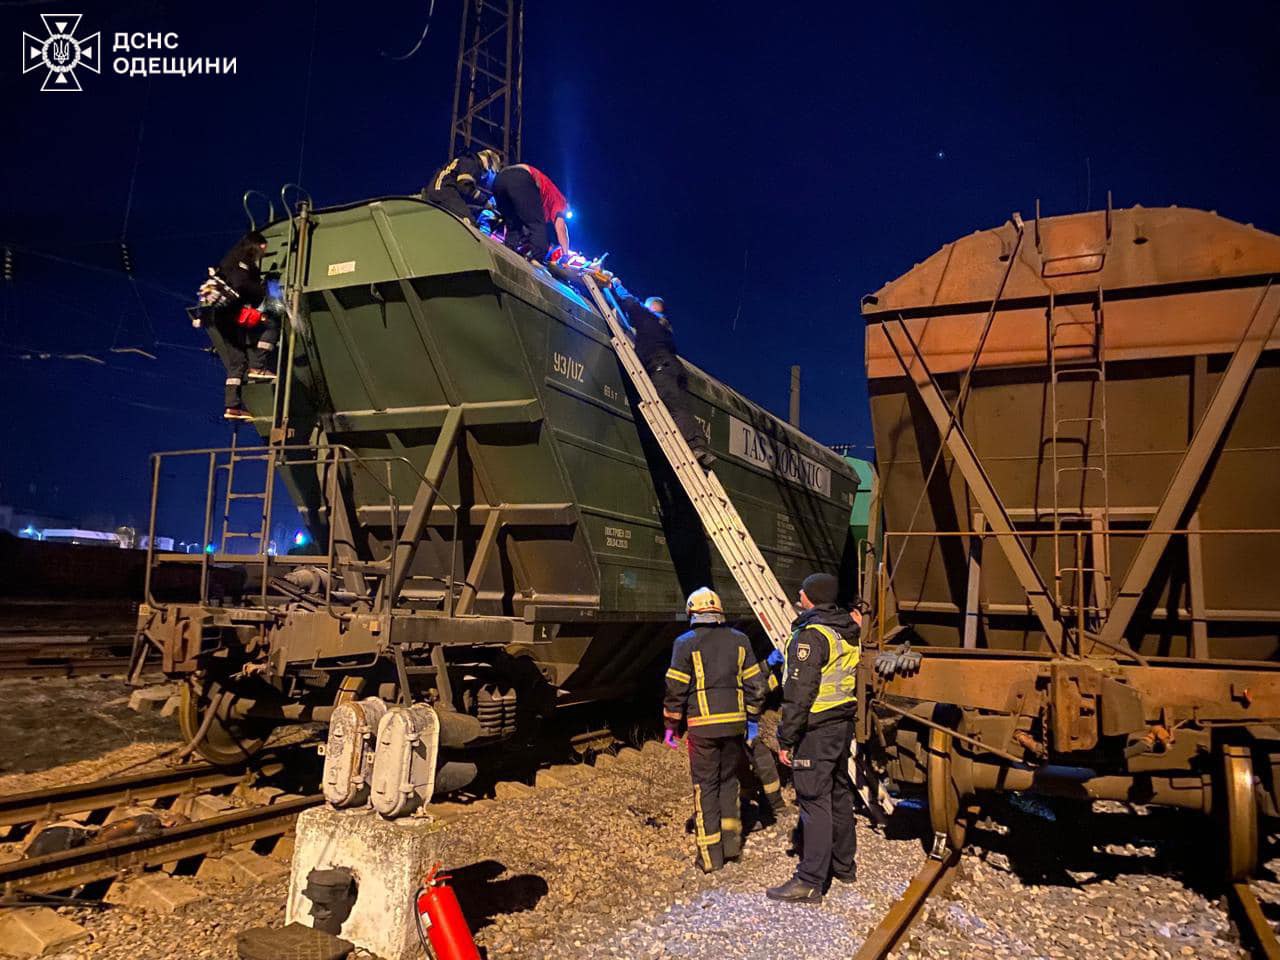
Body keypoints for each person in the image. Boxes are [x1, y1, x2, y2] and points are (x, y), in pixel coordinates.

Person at [766, 572, 861, 903]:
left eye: (802, 592)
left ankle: (809, 881)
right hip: (841, 723)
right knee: (838, 793)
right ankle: (844, 866)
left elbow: (799, 694)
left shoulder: (812, 636)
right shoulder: (845, 630)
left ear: (811, 597)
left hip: (816, 729)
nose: (799, 595)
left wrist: (786, 738)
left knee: (813, 800)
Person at [663, 587, 770, 873]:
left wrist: (671, 726)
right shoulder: (740, 640)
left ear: (692, 613)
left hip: (703, 729)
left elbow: (675, 690)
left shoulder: (684, 644)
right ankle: (732, 847)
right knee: (729, 783)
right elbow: (756, 686)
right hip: (734, 726)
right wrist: (751, 720)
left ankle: (710, 858)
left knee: (705, 788)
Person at [608, 279, 716, 470]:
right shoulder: (664, 327)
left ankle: (696, 448)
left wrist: (616, 283)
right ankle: (699, 445)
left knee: (673, 408)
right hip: (674, 368)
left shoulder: (647, 316)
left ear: (651, 307)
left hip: (660, 367)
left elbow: (629, 301)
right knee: (681, 408)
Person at [196, 231, 273, 421]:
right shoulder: (243, 262)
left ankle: (232, 407)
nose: (264, 251)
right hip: (235, 315)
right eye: (263, 247)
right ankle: (258, 367)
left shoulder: (228, 260)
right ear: (255, 245)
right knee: (270, 324)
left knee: (237, 360)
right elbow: (245, 286)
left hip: (219, 317)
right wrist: (265, 290)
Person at [490, 163, 570, 262]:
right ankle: (537, 258)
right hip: (519, 176)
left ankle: (508, 253)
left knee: (514, 225)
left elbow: (511, 224)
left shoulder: (543, 201)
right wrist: (566, 255)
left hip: (499, 180)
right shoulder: (561, 202)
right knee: (537, 225)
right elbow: (561, 228)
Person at [423, 149, 502, 223]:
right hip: (444, 192)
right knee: (468, 221)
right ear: (488, 162)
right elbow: (465, 186)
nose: (485, 174)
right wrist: (485, 202)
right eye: (489, 171)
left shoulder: (466, 161)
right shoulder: (471, 163)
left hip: (440, 191)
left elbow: (464, 195)